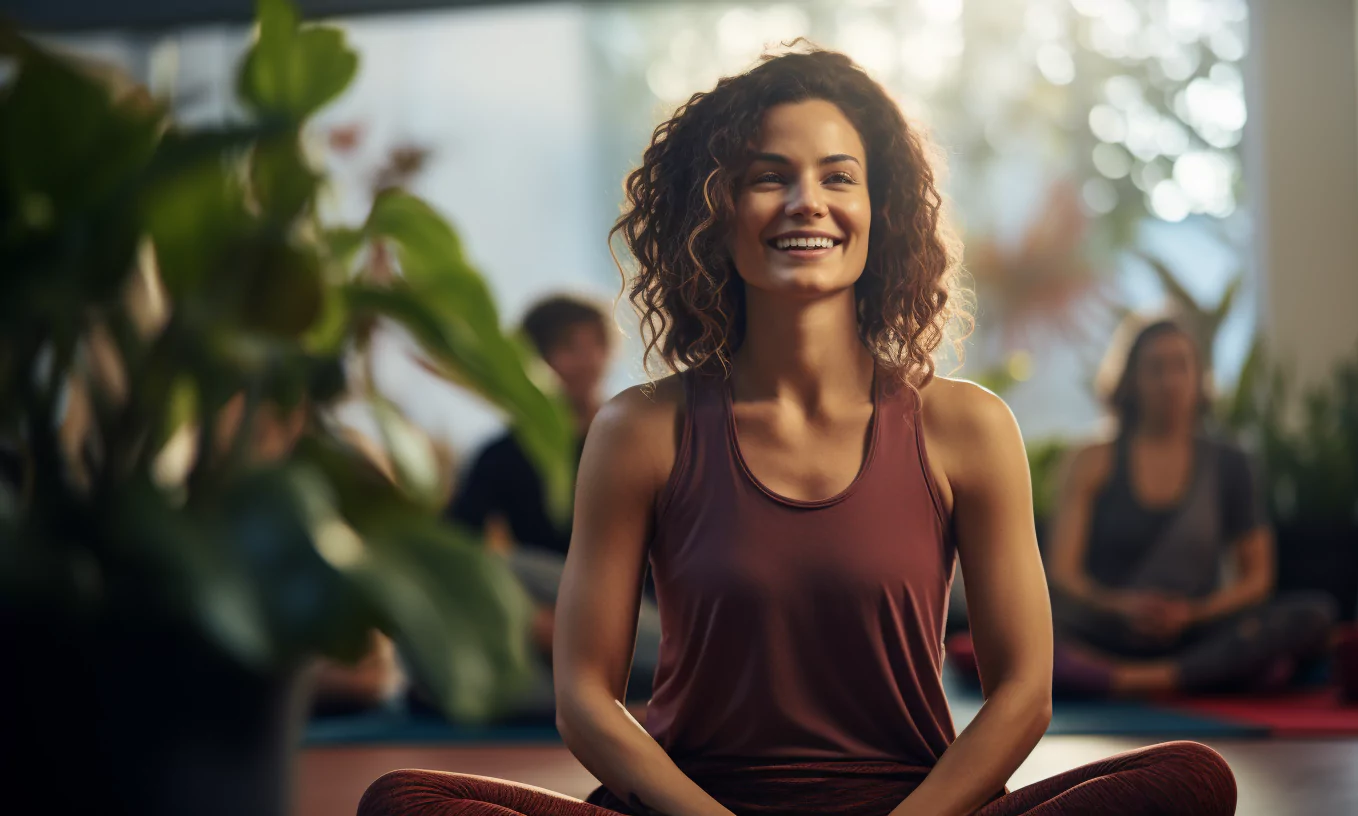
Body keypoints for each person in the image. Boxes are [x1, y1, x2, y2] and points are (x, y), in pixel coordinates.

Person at [359, 49, 1236, 816]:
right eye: (768, 175)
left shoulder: (968, 427)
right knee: (406, 803)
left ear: (878, 209)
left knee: (1190, 780)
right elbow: (586, 697)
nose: (805, 202)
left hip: (915, 805)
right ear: (717, 210)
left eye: (838, 176)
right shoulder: (641, 431)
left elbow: (1022, 695)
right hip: (689, 807)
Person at [1043, 319, 1336, 698]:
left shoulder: (1231, 464)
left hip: (1195, 635)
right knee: (1017, 631)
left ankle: (1138, 680)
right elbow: (1063, 574)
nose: (1169, 381)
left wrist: (1193, 614)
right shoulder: (1092, 460)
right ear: (1131, 380)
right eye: (1155, 368)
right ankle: (1200, 677)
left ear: (1199, 377)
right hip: (1105, 632)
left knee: (1314, 615)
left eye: (1180, 366)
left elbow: (1257, 578)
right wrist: (1121, 607)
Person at [443, 295, 660, 705]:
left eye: (596, 344)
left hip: (639, 616)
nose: (587, 360)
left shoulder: (639, 438)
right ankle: (630, 707)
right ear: (534, 359)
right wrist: (527, 617)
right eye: (568, 347)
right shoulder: (502, 456)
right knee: (488, 571)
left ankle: (666, 682)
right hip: (554, 613)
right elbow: (457, 548)